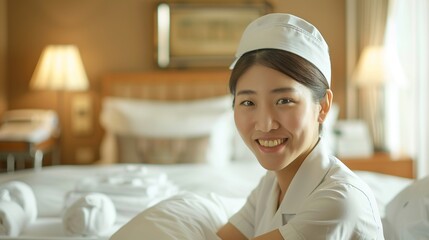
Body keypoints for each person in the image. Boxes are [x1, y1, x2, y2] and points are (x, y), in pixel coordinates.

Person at [216, 13, 384, 240]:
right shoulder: (270, 185)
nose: (266, 124)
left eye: (284, 101)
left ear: (323, 106)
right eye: (248, 102)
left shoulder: (340, 201)